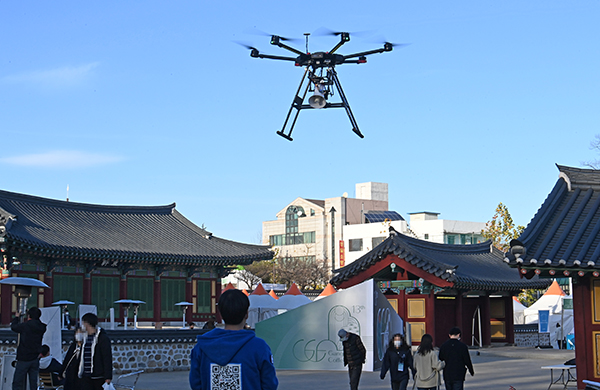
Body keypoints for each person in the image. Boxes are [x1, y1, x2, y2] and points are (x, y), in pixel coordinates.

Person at [189, 289, 278, 390]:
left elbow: (195, 383)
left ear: (221, 314)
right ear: (246, 314)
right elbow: (269, 384)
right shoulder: (259, 347)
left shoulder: (201, 347)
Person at [11, 306, 47, 390]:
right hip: (35, 357)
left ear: (29, 316)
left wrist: (16, 317)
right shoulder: (42, 327)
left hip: (24, 358)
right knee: (33, 382)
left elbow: (14, 327)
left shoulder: (26, 325)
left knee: (18, 382)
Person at [79, 313, 112, 390]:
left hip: (98, 375)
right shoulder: (84, 338)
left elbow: (107, 357)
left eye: (83, 323)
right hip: (85, 375)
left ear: (87, 323)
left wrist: (108, 376)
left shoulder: (102, 338)